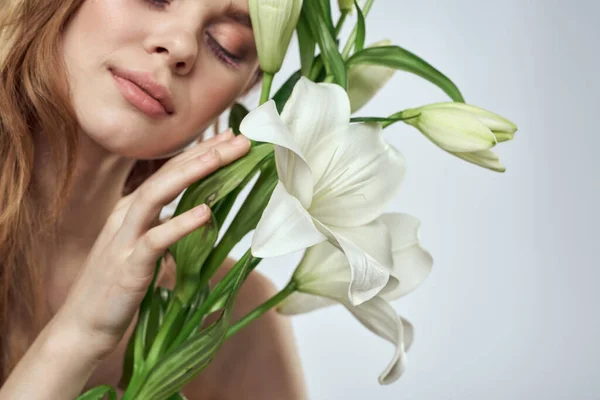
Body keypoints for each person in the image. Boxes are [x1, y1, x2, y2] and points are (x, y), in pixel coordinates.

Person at [0, 0, 307, 398]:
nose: (181, 46)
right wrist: (77, 338)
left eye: (227, 45)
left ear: (244, 91)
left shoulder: (228, 318)